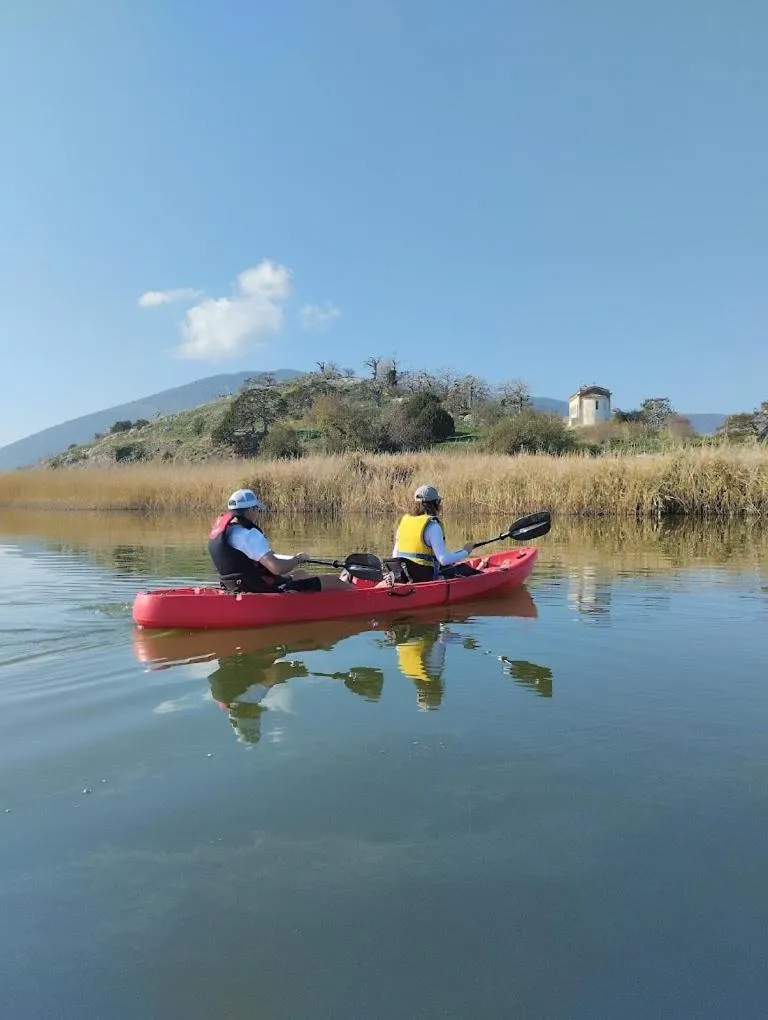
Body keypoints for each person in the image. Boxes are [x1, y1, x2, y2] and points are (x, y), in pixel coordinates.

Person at [208, 489, 353, 594]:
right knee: (331, 581)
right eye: (256, 509)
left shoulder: (228, 532)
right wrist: (297, 559)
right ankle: (351, 589)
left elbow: (250, 560)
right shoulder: (250, 535)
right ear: (249, 511)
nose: (257, 513)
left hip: (236, 587)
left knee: (301, 574)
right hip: (262, 590)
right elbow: (276, 568)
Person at [388, 484, 488, 583]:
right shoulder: (432, 526)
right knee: (462, 570)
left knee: (449, 565)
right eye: (439, 502)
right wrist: (466, 551)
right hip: (423, 577)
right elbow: (443, 559)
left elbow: (395, 555)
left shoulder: (404, 521)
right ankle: (480, 572)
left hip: (403, 575)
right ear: (435, 503)